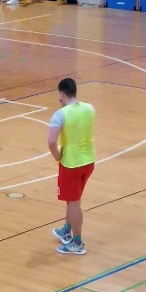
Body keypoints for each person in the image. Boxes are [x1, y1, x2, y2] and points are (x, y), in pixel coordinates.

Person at [48, 78, 95, 255]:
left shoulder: (60, 114)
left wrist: (57, 156)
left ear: (61, 93)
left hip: (71, 164)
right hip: (89, 161)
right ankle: (67, 230)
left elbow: (51, 141)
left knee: (74, 203)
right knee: (73, 198)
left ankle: (77, 243)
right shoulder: (89, 108)